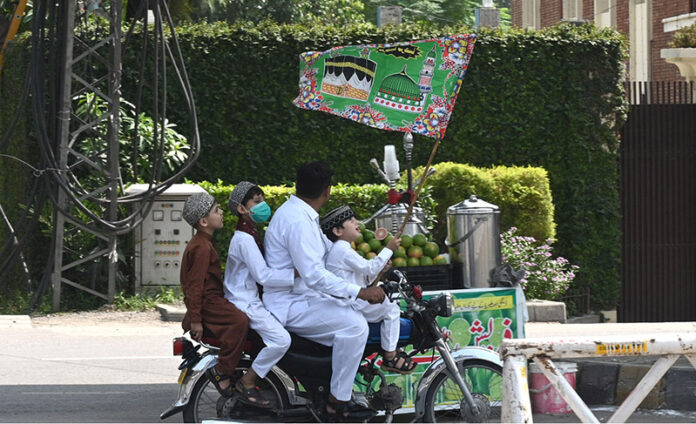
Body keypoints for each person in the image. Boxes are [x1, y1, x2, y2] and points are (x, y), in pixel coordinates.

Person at [263, 161, 386, 419]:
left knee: (354, 316)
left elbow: (331, 256)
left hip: (306, 297)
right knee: (355, 326)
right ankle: (336, 402)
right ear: (327, 191)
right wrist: (360, 292)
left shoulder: (304, 215)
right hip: (292, 303)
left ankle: (335, 388)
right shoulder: (297, 221)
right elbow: (315, 275)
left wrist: (375, 267)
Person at [321, 206, 416, 374]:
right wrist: (389, 249)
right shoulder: (341, 249)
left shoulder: (343, 249)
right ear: (337, 231)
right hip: (349, 302)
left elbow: (365, 277)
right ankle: (390, 354)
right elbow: (369, 268)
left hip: (350, 299)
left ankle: (388, 346)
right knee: (391, 307)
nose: (357, 223)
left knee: (386, 298)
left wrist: (381, 270)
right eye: (351, 221)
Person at [223, 181, 293, 408]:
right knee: (282, 340)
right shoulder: (244, 239)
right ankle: (248, 380)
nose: (263, 205)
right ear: (242, 209)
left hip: (251, 299)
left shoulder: (251, 234)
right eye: (257, 201)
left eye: (263, 199)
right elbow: (263, 275)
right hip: (245, 302)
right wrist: (298, 275)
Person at [179, 191, 249, 397]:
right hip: (209, 302)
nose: (221, 214)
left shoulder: (204, 242)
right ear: (203, 221)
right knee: (240, 322)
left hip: (211, 300)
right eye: (216, 211)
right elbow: (195, 286)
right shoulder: (201, 247)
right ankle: (222, 371)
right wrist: (196, 320)